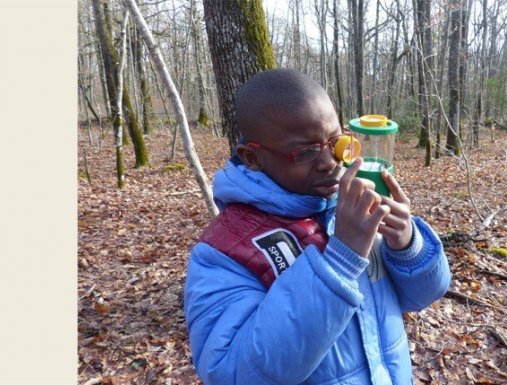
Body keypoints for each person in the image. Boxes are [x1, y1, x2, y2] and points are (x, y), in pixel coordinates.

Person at [183, 68, 452, 385]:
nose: (330, 163)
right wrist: (339, 263)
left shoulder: (352, 207)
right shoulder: (225, 252)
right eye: (306, 152)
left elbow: (421, 296)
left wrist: (407, 244)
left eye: (337, 144)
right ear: (252, 157)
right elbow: (234, 372)